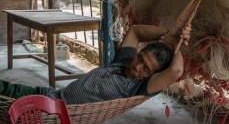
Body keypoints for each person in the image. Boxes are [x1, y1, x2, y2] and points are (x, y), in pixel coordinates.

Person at [0, 24, 190, 105]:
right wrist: (167, 33)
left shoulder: (136, 87)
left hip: (52, 111)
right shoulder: (122, 62)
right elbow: (135, 32)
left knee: (7, 92)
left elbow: (176, 70)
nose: (137, 66)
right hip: (48, 96)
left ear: (150, 76)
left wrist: (176, 44)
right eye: (140, 58)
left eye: (145, 69)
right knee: (8, 90)